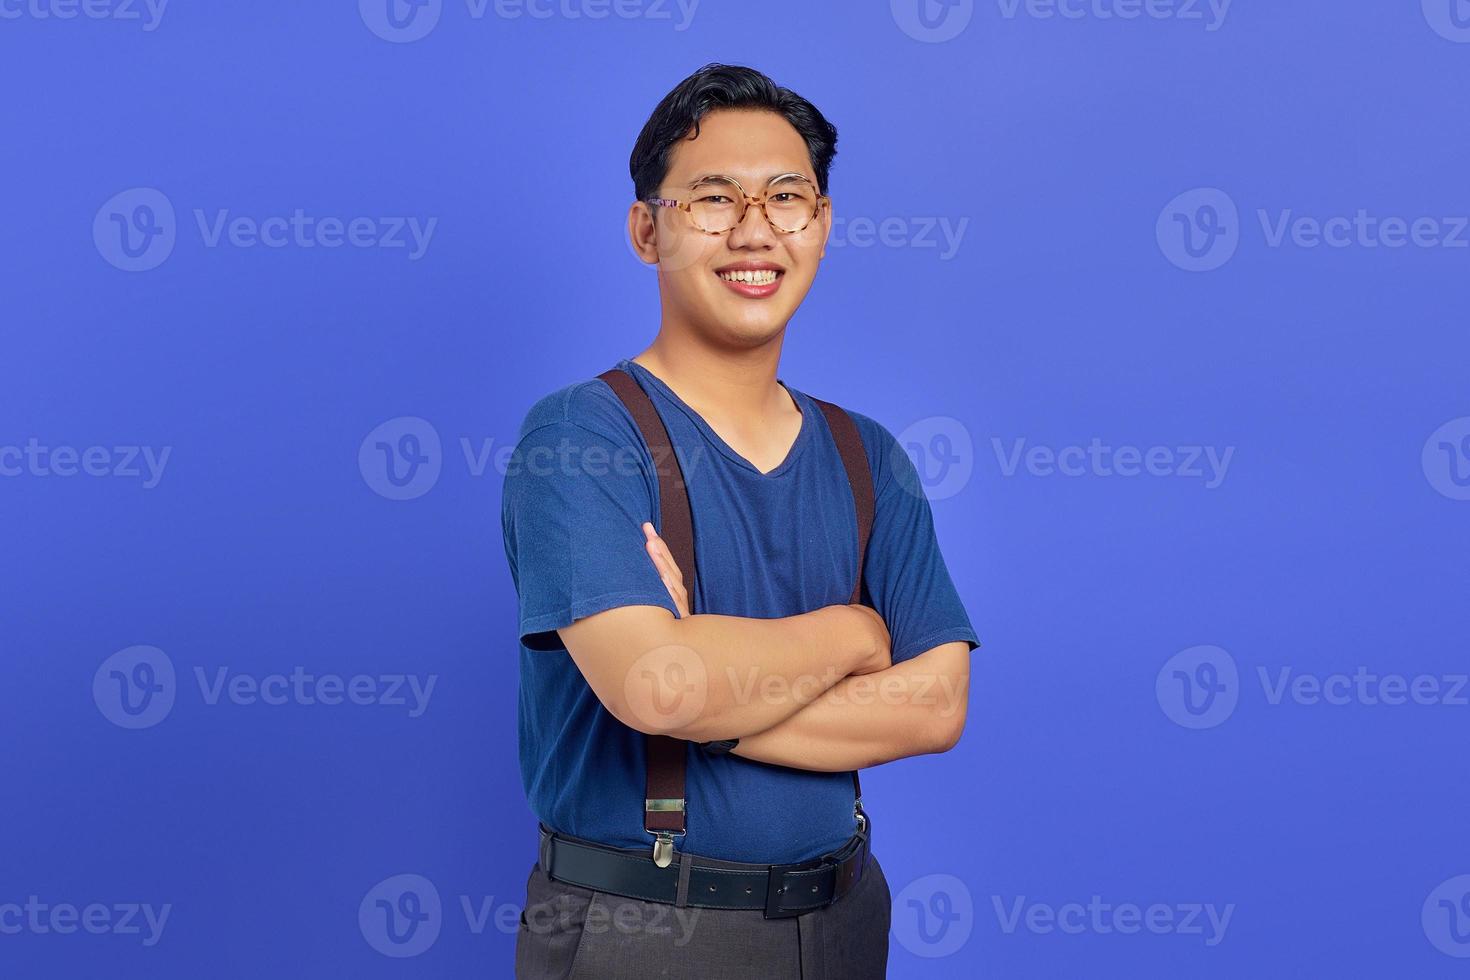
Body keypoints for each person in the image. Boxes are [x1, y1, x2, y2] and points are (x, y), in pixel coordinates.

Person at [501, 63, 978, 979]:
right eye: (713, 199)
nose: (755, 229)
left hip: (843, 916)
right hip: (650, 926)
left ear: (823, 225)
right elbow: (658, 693)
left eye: (787, 197)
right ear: (647, 229)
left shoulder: (867, 454)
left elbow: (935, 706)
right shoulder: (582, 438)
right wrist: (855, 630)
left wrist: (704, 675)